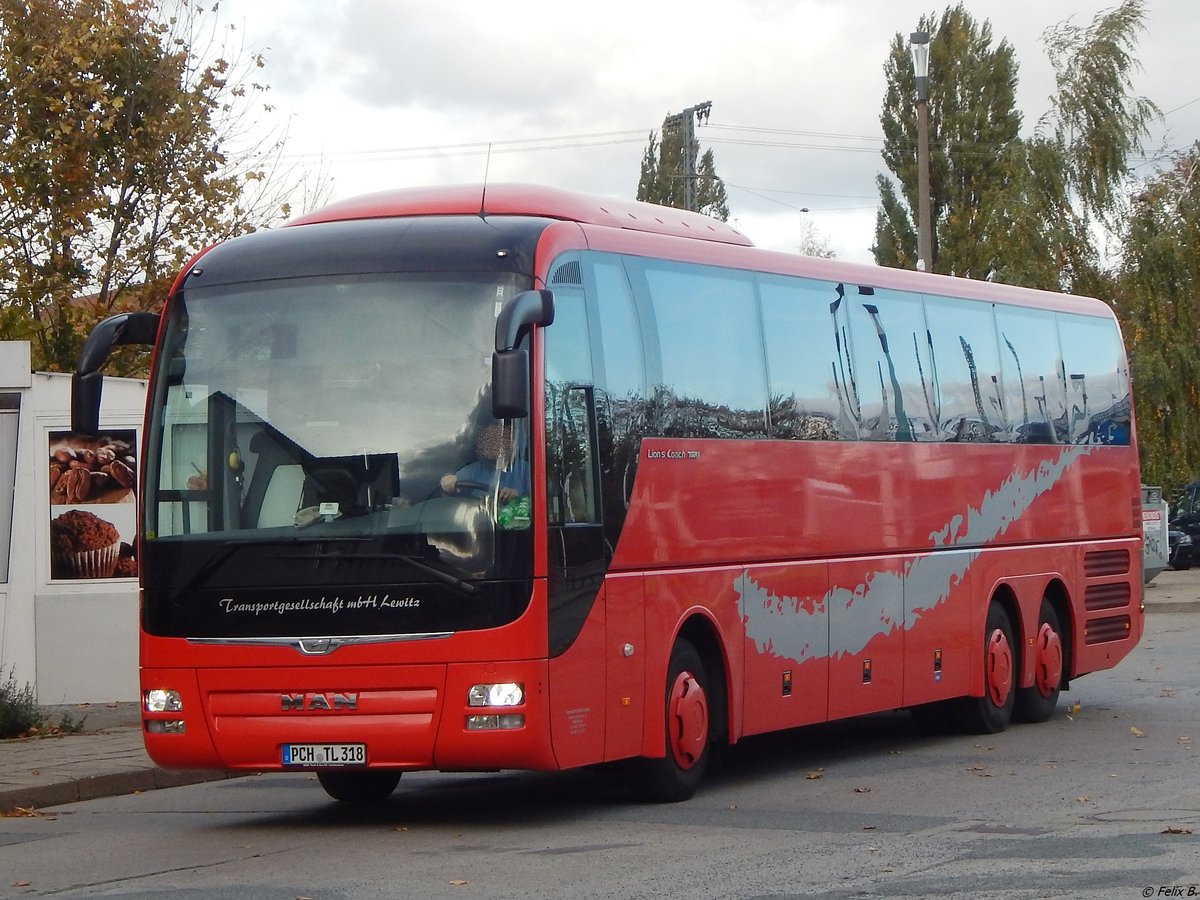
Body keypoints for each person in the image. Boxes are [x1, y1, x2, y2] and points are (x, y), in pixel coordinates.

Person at [440, 422, 528, 501]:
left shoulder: (527, 470)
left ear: (514, 442)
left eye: (501, 438)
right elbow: (451, 484)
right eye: (491, 438)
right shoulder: (474, 470)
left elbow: (539, 499)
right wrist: (447, 480)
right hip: (477, 517)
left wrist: (518, 497)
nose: (495, 443)